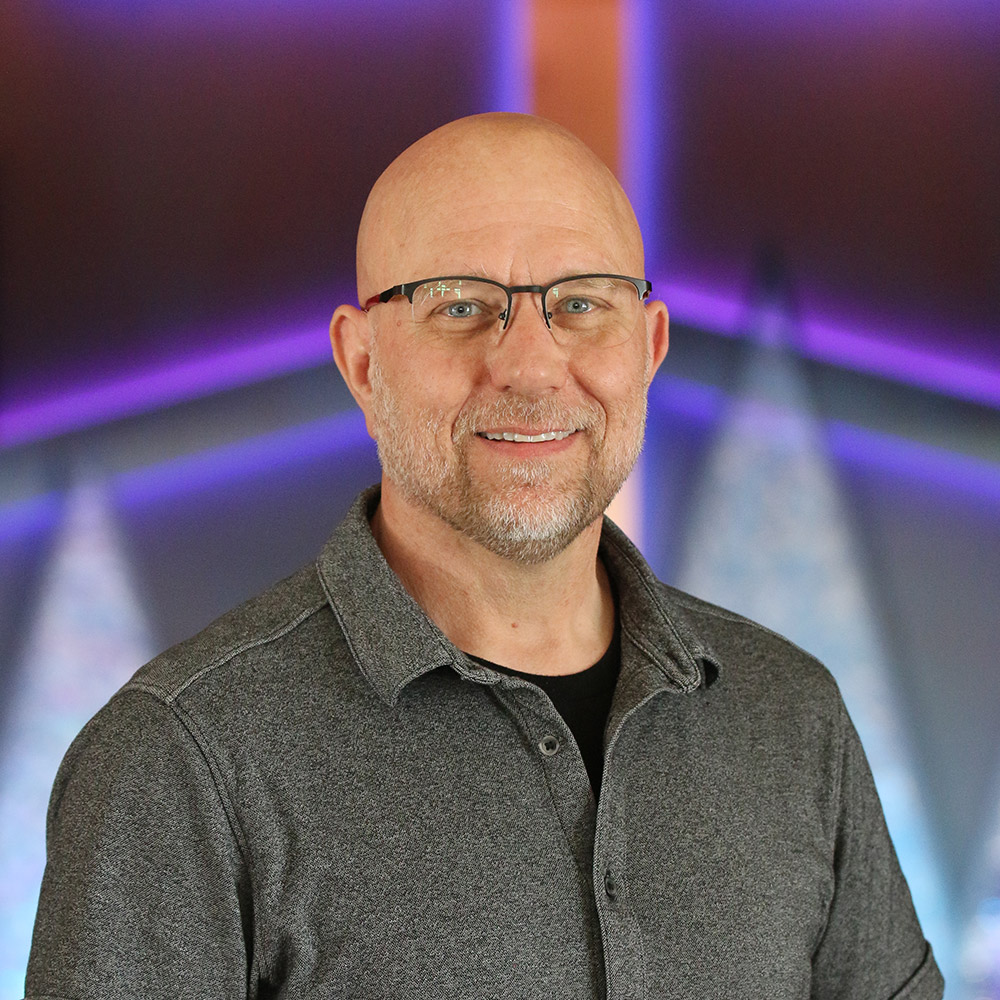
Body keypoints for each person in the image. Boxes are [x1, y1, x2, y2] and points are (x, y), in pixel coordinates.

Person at [25, 113, 943, 1000]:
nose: (532, 367)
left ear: (650, 347)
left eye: (581, 304)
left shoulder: (793, 719)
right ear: (362, 361)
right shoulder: (179, 763)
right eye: (461, 306)